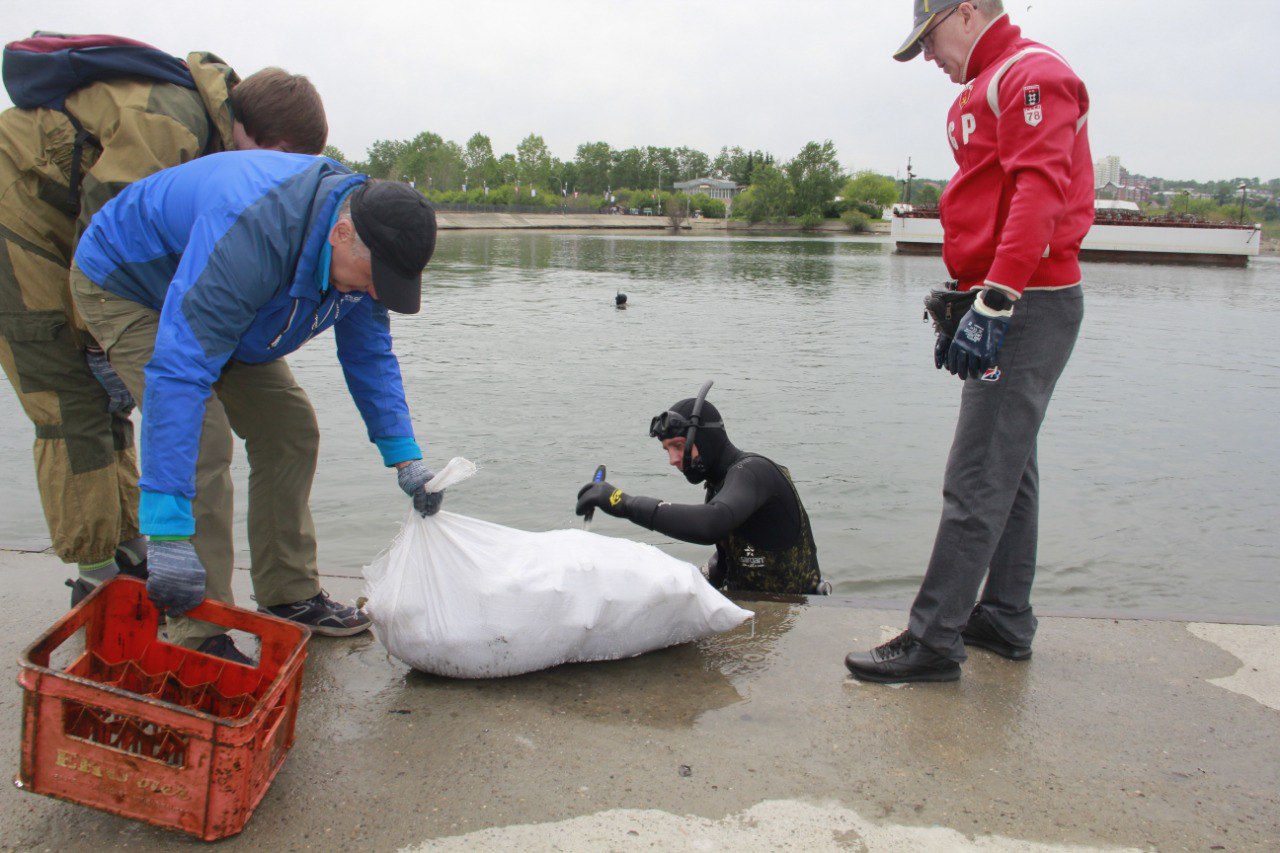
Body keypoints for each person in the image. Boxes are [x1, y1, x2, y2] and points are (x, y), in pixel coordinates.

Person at [71, 151, 443, 663]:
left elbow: (369, 355)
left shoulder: (367, 244)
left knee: (291, 429)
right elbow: (180, 373)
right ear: (340, 234)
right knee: (204, 436)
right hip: (129, 284)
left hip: (239, 307)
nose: (378, 290)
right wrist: (168, 531)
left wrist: (405, 456)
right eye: (375, 276)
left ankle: (289, 596)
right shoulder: (254, 233)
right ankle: (199, 629)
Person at [0, 32, 328, 608]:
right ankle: (100, 578)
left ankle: (147, 560)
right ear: (255, 137)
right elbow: (105, 242)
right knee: (70, 402)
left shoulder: (226, 141)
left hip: (85, 234)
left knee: (134, 404)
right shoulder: (170, 125)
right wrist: (99, 343)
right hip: (20, 221)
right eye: (279, 162)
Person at [845, 0, 1090, 683]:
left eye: (931, 38)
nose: (928, 56)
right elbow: (992, 195)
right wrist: (969, 289)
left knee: (978, 473)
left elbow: (1041, 190)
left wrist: (998, 296)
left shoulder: (1030, 74)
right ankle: (1005, 615)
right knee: (1012, 467)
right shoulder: (984, 88)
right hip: (1010, 295)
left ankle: (933, 638)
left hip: (1027, 300)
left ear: (972, 9)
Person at [575, 389, 826, 596]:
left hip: (795, 618)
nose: (673, 460)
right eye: (667, 450)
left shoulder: (753, 472)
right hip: (752, 611)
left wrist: (622, 503)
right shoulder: (719, 486)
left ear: (706, 438)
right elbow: (725, 561)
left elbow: (710, 524)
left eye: (679, 446)